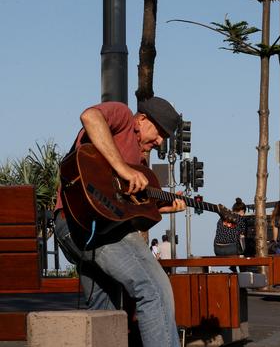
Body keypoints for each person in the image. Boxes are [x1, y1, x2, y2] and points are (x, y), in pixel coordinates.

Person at [54, 98, 186, 347]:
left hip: (95, 226)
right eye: (160, 133)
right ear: (142, 119)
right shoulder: (124, 117)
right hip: (83, 224)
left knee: (105, 310)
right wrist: (122, 168)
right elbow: (90, 116)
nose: (160, 142)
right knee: (153, 290)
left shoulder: (141, 165)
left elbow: (125, 213)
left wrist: (162, 208)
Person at [214, 197, 248, 272]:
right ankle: (243, 275)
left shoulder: (221, 218)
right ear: (242, 211)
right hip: (231, 249)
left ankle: (233, 267)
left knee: (232, 240)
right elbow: (243, 236)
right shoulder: (241, 219)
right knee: (242, 251)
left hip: (217, 249)